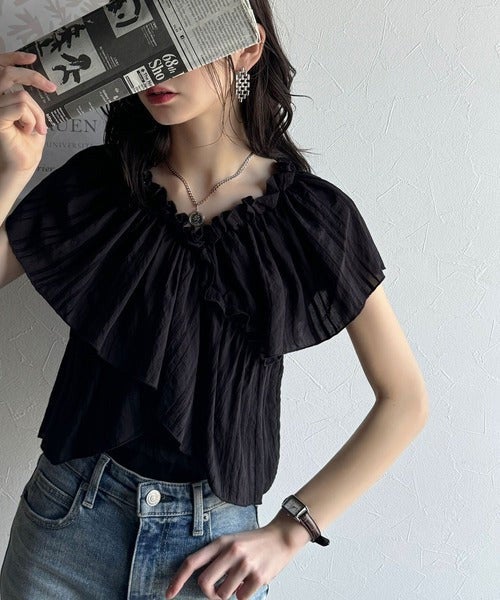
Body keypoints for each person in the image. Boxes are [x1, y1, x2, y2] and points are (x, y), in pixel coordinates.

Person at [0, 1, 429, 599]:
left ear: (246, 47)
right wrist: (10, 172)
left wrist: (291, 531)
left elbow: (405, 400)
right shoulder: (101, 184)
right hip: (66, 529)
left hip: (210, 557)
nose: (156, 65)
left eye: (178, 39)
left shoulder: (312, 217)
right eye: (140, 39)